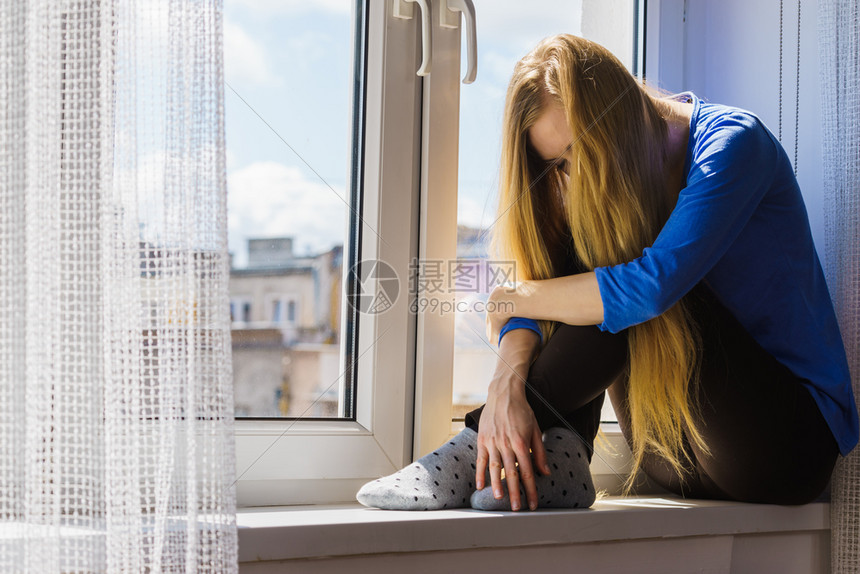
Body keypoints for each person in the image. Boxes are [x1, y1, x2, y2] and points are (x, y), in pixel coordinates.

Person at [356, 34, 858, 513]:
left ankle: (471, 453)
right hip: (672, 453)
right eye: (558, 163)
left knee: (631, 278)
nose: (572, 173)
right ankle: (559, 455)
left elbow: (651, 287)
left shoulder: (733, 145)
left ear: (619, 112)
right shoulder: (588, 187)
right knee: (591, 272)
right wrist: (503, 388)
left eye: (579, 150)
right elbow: (552, 293)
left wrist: (513, 297)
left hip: (780, 448)